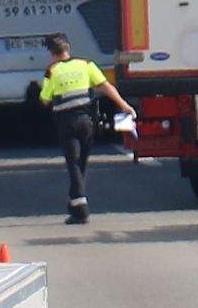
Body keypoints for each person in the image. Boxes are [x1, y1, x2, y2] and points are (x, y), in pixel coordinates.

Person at [35, 33, 129, 224]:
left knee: (73, 163)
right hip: (87, 122)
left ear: (51, 53)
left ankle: (80, 206)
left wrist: (39, 90)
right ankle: (75, 204)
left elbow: (45, 99)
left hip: (66, 123)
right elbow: (106, 87)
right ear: (68, 48)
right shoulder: (86, 64)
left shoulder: (52, 71)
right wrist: (124, 106)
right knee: (81, 163)